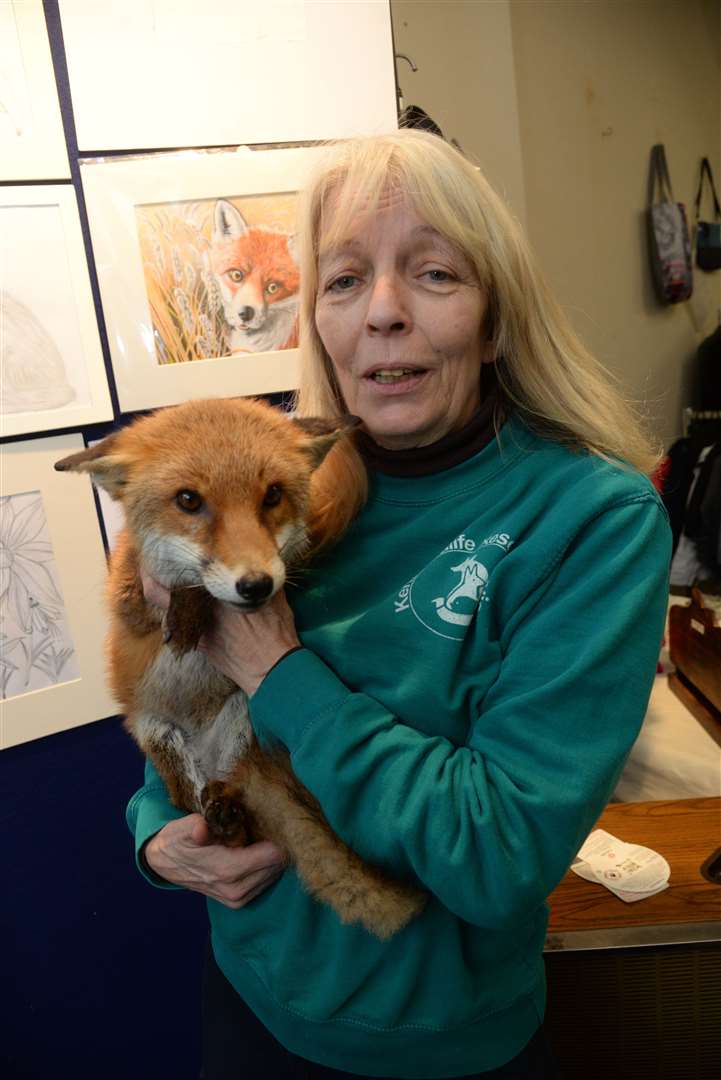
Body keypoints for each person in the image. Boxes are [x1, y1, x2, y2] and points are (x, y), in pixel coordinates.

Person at [131, 129, 671, 1079]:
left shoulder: (592, 520)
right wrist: (155, 843)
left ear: (496, 320)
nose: (381, 312)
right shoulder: (277, 495)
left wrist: (276, 666)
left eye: (431, 273)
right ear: (319, 324)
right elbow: (180, 720)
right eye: (341, 281)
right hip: (250, 995)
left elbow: (498, 854)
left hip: (434, 1046)